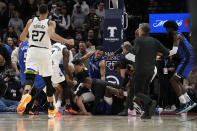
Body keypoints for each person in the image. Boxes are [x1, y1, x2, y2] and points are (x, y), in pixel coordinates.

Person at [17, 4, 74, 118]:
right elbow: (52, 36)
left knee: (30, 78)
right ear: (48, 12)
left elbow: (22, 37)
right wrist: (66, 40)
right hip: (45, 53)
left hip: (32, 51)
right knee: (48, 82)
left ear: (38, 11)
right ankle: (51, 108)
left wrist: (31, 40)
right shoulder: (50, 22)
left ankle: (25, 96)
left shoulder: (30, 21)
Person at [119, 23, 170, 119]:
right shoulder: (154, 41)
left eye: (139, 28)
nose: (138, 30)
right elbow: (167, 52)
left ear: (141, 30)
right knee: (145, 91)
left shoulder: (138, 40)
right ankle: (147, 113)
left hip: (140, 70)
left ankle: (151, 102)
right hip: (151, 70)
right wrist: (157, 56)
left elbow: (134, 51)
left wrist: (128, 46)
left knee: (137, 92)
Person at [163, 20, 197, 114]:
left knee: (173, 80)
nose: (166, 30)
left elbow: (174, 51)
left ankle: (184, 103)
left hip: (188, 58)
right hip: (188, 58)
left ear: (170, 28)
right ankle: (188, 101)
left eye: (166, 28)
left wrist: (164, 54)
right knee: (176, 80)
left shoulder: (176, 35)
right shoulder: (179, 34)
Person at [51, 42, 78, 114]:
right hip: (53, 68)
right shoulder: (66, 50)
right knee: (65, 86)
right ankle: (67, 107)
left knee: (46, 88)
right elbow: (66, 67)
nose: (71, 48)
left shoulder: (55, 44)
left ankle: (34, 108)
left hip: (44, 66)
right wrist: (71, 76)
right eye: (71, 46)